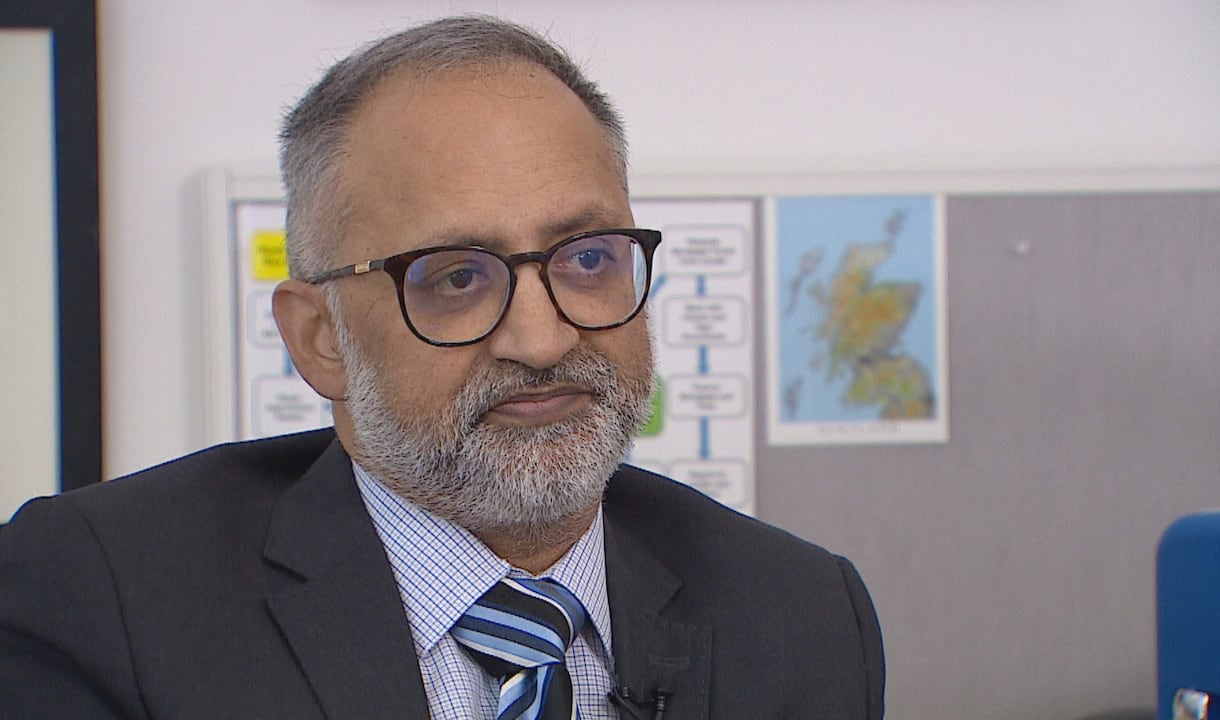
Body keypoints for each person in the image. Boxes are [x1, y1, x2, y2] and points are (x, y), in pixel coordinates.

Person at [0, 15, 884, 720]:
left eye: (586, 260)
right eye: (456, 278)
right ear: (319, 339)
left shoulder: (802, 614)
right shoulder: (102, 595)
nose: (541, 342)